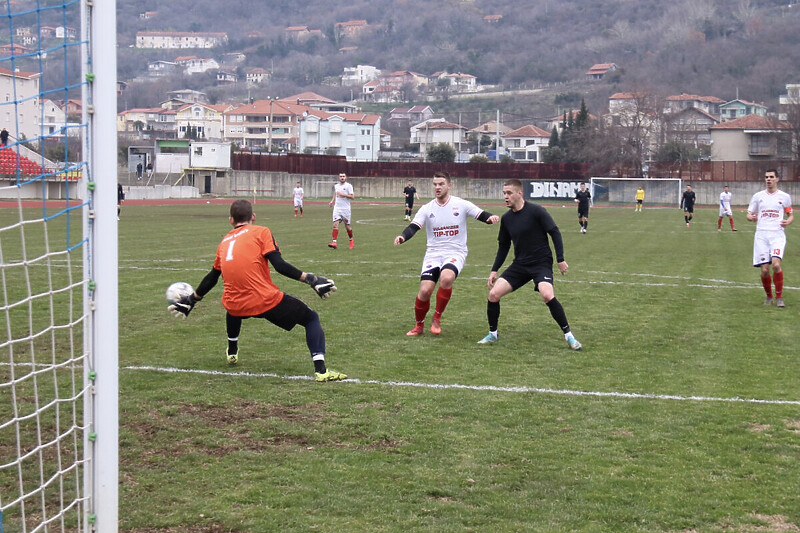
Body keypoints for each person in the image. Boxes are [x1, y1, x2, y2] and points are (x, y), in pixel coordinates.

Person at [168, 199, 346, 382]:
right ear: (253, 216)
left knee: (233, 303)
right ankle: (321, 371)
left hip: (236, 306)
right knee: (311, 318)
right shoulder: (261, 231)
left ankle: (232, 350)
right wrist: (312, 279)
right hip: (264, 301)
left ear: (231, 220)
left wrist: (192, 300)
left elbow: (213, 277)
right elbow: (279, 265)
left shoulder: (224, 242)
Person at [477, 179, 582, 350]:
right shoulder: (507, 219)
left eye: (509, 193)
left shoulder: (536, 211)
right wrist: (494, 270)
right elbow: (504, 246)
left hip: (541, 263)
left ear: (520, 193)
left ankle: (569, 337)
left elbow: (554, 232)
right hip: (520, 265)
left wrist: (560, 259)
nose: (505, 197)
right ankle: (492, 335)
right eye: (504, 193)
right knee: (493, 295)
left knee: (547, 295)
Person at [394, 171, 499, 336]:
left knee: (447, 277)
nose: (437, 187)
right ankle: (419, 325)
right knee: (425, 290)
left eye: (441, 184)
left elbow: (480, 214)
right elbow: (414, 226)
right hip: (433, 254)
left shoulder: (460, 204)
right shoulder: (427, 208)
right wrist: (403, 237)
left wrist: (490, 217)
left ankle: (437, 317)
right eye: (435, 184)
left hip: (455, 251)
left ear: (449, 185)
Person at [746, 169, 793, 308]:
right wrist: (752, 218)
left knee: (776, 264)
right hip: (761, 235)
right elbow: (749, 214)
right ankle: (768, 297)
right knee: (765, 269)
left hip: (777, 235)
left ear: (777, 179)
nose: (768, 179)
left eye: (771, 177)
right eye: (766, 177)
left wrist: (788, 221)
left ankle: (779, 297)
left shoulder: (784, 197)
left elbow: (790, 215)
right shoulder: (758, 196)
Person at [328, 172, 354, 249]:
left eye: (343, 176)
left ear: (346, 177)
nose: (342, 177)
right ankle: (334, 242)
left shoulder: (348, 186)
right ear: (339, 177)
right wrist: (332, 201)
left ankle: (351, 240)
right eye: (340, 176)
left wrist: (343, 195)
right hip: (337, 208)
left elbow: (352, 197)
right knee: (335, 224)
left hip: (345, 209)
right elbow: (335, 194)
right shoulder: (336, 186)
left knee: (347, 226)